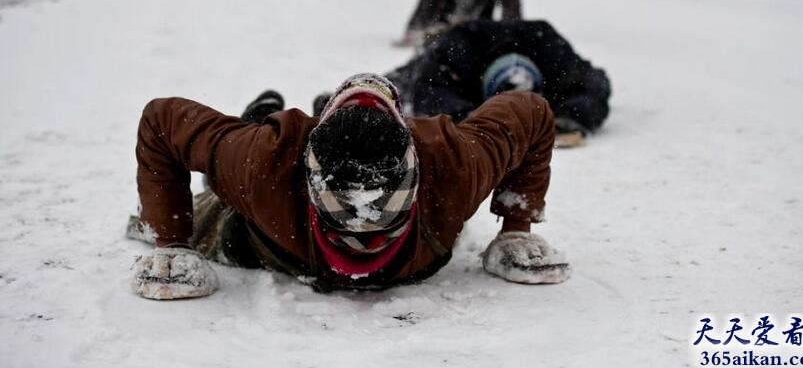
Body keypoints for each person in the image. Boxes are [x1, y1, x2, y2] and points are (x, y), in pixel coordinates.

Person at [127, 73, 569, 300]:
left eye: (383, 215)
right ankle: (259, 113)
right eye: (344, 215)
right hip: (261, 230)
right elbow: (162, 121)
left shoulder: (455, 163)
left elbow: (531, 111)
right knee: (216, 197)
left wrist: (517, 228)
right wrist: (172, 241)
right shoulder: (261, 161)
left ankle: (303, 112)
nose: (363, 231)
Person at [386, 20, 611, 148]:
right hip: (457, 39)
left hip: (525, 37)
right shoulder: (460, 50)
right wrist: (470, 117)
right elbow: (429, 90)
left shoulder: (552, 53)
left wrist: (571, 116)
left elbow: (593, 83)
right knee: (398, 85)